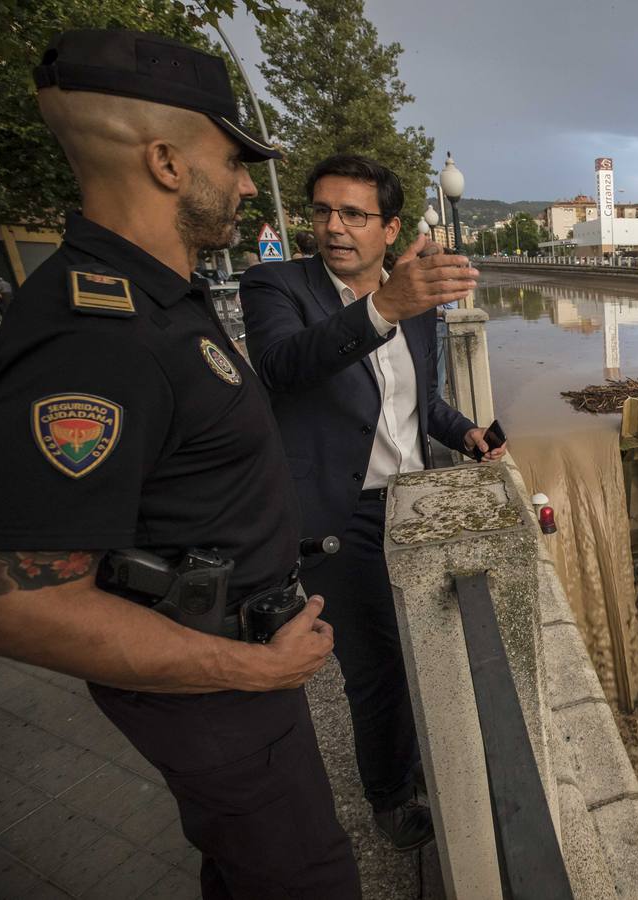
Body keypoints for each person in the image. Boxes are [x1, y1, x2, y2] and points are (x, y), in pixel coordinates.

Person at [0, 30, 359, 898]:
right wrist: (250, 668)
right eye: (232, 159)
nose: (243, 182)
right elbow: (19, 605)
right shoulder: (93, 338)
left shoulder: (154, 298)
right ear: (165, 160)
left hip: (233, 675)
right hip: (218, 690)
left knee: (246, 871)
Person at [239, 153, 503, 851]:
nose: (333, 227)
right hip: (339, 516)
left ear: (388, 228)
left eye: (354, 214)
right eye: (323, 211)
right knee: (377, 667)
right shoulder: (275, 285)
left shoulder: (410, 306)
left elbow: (419, 406)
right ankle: (392, 794)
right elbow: (284, 366)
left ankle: (427, 759)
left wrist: (467, 431)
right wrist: (383, 307)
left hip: (416, 502)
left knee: (437, 641)